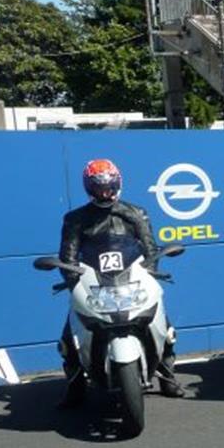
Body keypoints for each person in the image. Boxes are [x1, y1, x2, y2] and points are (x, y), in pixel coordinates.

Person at [58, 159, 184, 407]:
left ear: (118, 184)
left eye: (109, 186)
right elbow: (67, 257)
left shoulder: (136, 213)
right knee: (68, 339)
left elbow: (150, 248)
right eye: (99, 187)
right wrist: (75, 283)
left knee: (166, 329)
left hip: (130, 283)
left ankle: (168, 377)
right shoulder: (75, 219)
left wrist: (150, 273)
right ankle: (75, 387)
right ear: (89, 188)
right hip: (96, 285)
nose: (105, 192)